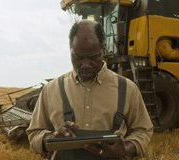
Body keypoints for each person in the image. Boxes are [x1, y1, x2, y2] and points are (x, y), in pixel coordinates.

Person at [26, 20, 153, 160]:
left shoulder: (128, 89)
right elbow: (34, 133)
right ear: (70, 50)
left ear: (103, 50)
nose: (85, 64)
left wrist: (126, 149)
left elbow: (143, 130)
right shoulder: (51, 89)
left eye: (93, 57)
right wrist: (51, 138)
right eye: (78, 57)